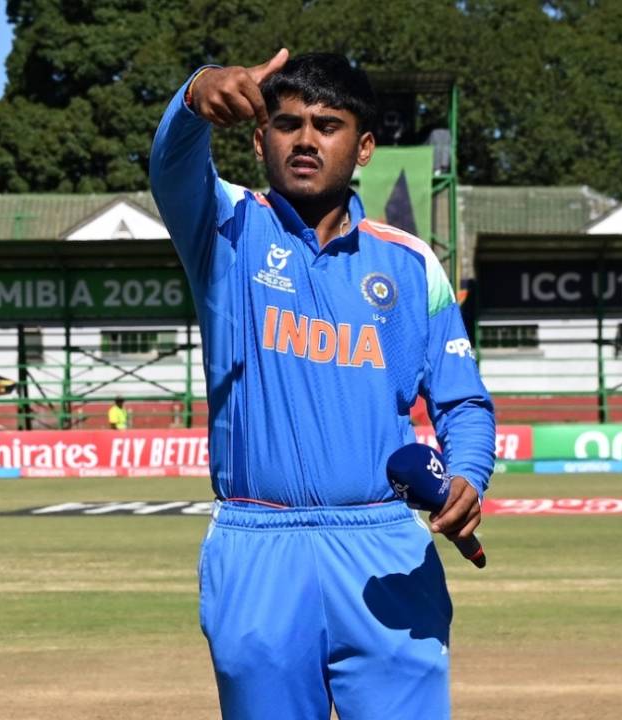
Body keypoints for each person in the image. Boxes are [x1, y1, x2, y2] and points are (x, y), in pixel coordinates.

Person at [150, 50, 495, 719]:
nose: (306, 139)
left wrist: (468, 476)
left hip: (385, 545)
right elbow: (172, 166)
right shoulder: (225, 228)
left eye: (328, 125)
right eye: (288, 123)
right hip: (258, 548)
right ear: (259, 139)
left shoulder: (411, 262)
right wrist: (195, 94)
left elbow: (463, 401)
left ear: (363, 146)